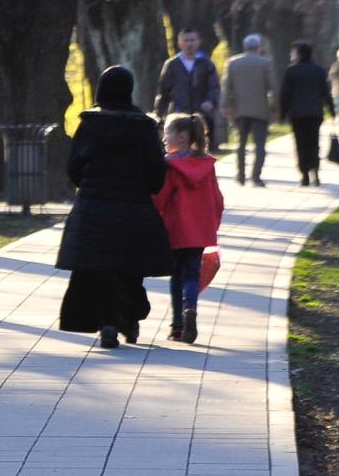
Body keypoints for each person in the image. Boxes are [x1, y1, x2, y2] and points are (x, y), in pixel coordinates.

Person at [57, 66, 175, 348]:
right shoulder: (144, 128)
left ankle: (106, 321)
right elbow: (156, 172)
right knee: (129, 269)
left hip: (93, 208)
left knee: (98, 270)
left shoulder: (89, 125)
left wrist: (86, 186)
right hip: (133, 208)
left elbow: (74, 166)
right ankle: (129, 320)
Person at [153, 114, 224, 344]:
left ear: (181, 137)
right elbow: (217, 199)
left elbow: (161, 197)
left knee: (176, 276)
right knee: (192, 274)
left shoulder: (170, 166)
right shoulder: (206, 165)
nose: (164, 137)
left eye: (167, 132)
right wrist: (212, 224)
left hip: (175, 228)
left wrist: (153, 214)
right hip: (199, 231)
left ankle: (177, 326)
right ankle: (190, 310)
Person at [155, 28, 221, 152]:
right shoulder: (172, 65)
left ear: (198, 42)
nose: (189, 44)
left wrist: (210, 101)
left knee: (201, 150)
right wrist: (159, 114)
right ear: (180, 43)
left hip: (202, 117)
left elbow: (214, 87)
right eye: (186, 40)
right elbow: (163, 92)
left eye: (192, 40)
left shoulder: (206, 64)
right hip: (178, 115)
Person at [279, 41, 336, 186]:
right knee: (314, 142)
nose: (291, 55)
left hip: (297, 114)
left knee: (300, 143)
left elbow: (285, 94)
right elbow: (325, 92)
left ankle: (304, 174)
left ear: (300, 54)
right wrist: (331, 109)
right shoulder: (319, 70)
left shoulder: (291, 71)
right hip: (315, 112)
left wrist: (282, 113)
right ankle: (315, 172)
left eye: (294, 52)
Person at [223, 33, 275, 186]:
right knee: (260, 144)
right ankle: (256, 176)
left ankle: (240, 175)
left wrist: (225, 105)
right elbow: (273, 87)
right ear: (259, 47)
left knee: (241, 143)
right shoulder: (266, 63)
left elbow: (226, 86)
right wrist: (275, 107)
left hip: (239, 109)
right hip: (260, 108)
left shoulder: (233, 63)